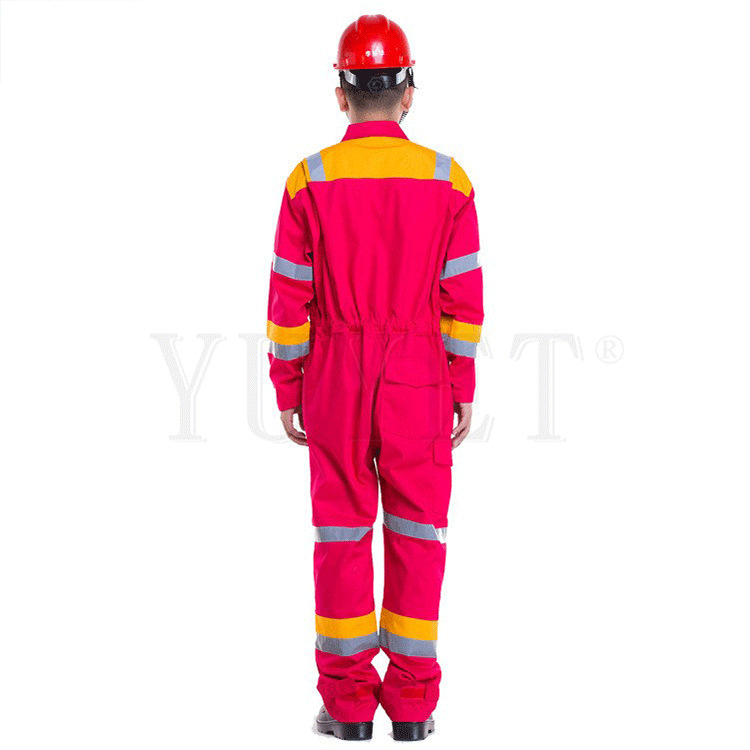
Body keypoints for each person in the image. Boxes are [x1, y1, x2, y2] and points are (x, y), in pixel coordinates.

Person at [265, 14, 483, 742]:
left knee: (342, 536)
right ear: (409, 91)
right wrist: (460, 384)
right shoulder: (449, 181)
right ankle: (413, 707)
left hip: (335, 372)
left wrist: (288, 385)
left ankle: (349, 705)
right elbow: (462, 298)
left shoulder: (310, 179)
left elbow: (290, 295)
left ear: (342, 93)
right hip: (419, 372)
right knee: (419, 534)